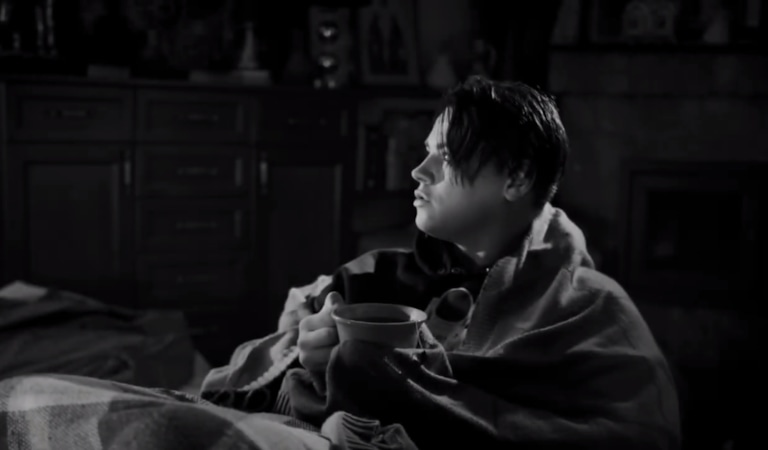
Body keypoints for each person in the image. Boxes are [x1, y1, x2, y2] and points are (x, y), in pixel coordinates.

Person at [202, 76, 681, 449]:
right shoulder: (370, 280)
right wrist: (312, 359)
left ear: (516, 178)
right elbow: (252, 383)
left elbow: (639, 432)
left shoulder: (591, 305)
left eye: (446, 157)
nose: (419, 171)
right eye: (426, 152)